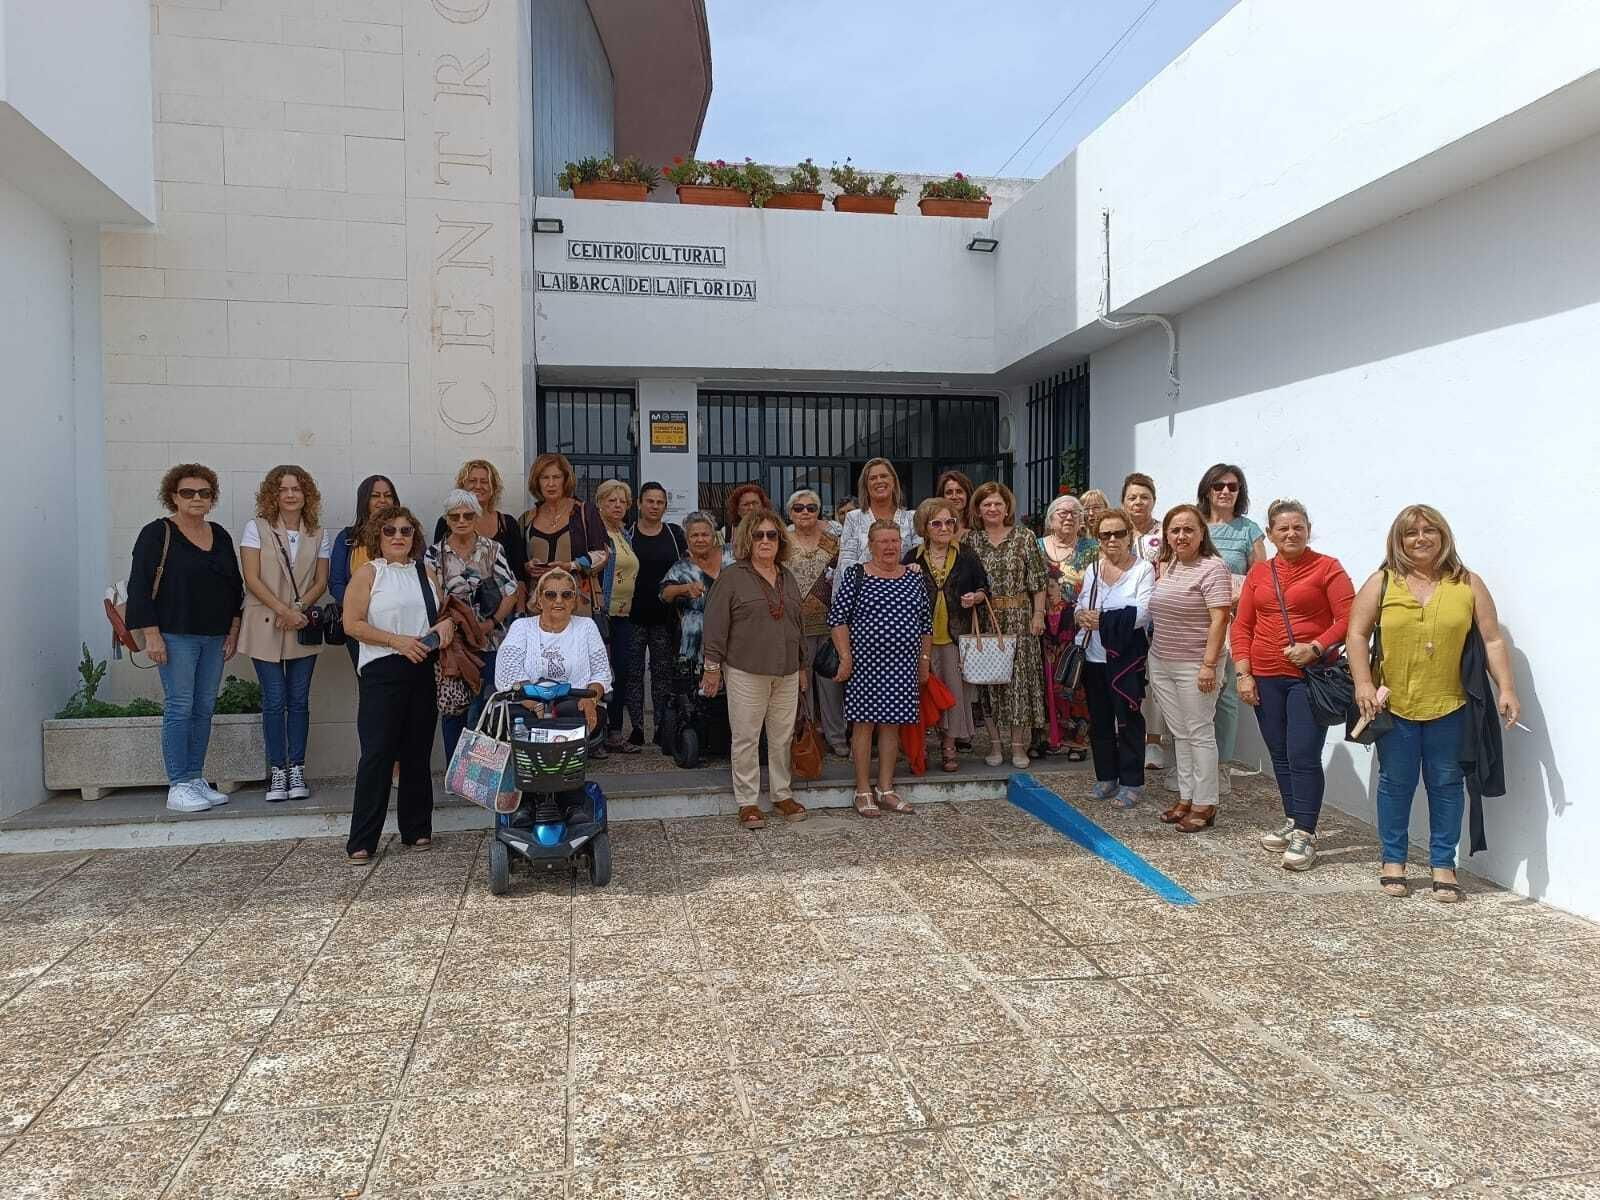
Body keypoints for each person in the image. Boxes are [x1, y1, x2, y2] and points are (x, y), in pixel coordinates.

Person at [1348, 505, 1520, 902]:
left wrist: (1506, 688)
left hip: (1450, 705)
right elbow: (1356, 634)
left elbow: (1492, 639)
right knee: (1396, 784)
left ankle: (1444, 863)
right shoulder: (1383, 582)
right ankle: (1393, 860)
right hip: (1395, 706)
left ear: (1444, 537)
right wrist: (1362, 684)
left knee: (1446, 785)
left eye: (1430, 531)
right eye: (1411, 533)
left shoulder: (1468, 584)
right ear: (1399, 540)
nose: (1421, 538)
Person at [1232, 499, 1355, 871]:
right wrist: (1243, 672)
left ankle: (1306, 831)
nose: (1290, 533)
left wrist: (1316, 647)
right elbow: (1242, 625)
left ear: (1308, 529)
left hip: (1308, 677)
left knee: (1302, 753)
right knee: (1279, 752)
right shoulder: (1259, 574)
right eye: (1282, 528)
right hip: (1265, 676)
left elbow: (1349, 617)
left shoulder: (1327, 568)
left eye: (1298, 526)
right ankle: (1292, 819)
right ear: (1269, 534)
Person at [126, 465, 244, 813]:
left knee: (204, 707)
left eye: (203, 493)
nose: (196, 499)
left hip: (214, 636)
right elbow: (139, 588)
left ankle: (195, 777)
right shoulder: (156, 533)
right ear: (173, 496)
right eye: (188, 492)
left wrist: (234, 630)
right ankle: (178, 784)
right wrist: (152, 635)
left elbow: (234, 586)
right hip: (174, 634)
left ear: (212, 498)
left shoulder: (219, 535)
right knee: (180, 707)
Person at [341, 506, 455, 864]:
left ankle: (417, 828)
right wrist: (396, 641)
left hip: (422, 665)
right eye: (389, 530)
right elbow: (352, 624)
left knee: (418, 751)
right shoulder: (368, 573)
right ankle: (362, 839)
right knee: (377, 753)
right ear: (378, 535)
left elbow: (441, 614)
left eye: (405, 531)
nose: (398, 537)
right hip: (383, 669)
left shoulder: (426, 570)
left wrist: (444, 627)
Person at [701, 509, 810, 829]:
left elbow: (797, 625)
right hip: (745, 670)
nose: (765, 541)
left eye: (771, 535)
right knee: (747, 737)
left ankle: (781, 794)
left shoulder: (787, 576)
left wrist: (802, 665)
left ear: (780, 540)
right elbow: (715, 626)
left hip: (787, 671)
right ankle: (747, 801)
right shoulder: (732, 577)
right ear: (748, 539)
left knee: (781, 737)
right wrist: (712, 668)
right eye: (759, 535)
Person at [239, 465, 332, 804]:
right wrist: (283, 610)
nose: (290, 495)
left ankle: (297, 769)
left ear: (306, 494)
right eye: (283, 489)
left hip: (301, 624)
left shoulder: (319, 533)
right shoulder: (256, 528)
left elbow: (321, 581)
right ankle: (278, 769)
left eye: (296, 489)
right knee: (274, 700)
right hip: (265, 621)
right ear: (272, 495)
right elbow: (251, 577)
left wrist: (297, 610)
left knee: (299, 700)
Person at [830, 520, 932, 818]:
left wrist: (924, 661)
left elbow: (925, 625)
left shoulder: (913, 578)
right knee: (864, 726)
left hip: (903, 666)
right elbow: (838, 619)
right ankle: (862, 790)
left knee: (892, 726)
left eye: (894, 541)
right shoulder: (857, 575)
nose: (890, 547)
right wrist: (846, 657)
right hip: (865, 666)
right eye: (883, 541)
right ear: (871, 546)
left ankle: (886, 788)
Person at [1147, 506, 1233, 832]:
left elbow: (1220, 619)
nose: (1181, 536)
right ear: (1166, 535)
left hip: (1197, 665)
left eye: (1188, 530)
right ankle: (1186, 796)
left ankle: (1205, 802)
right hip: (1162, 660)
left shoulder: (1213, 568)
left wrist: (1209, 665)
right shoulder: (1167, 566)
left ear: (1201, 533)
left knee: (1199, 733)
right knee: (1179, 733)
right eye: (1175, 530)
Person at [426, 488, 519, 763]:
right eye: (455, 516)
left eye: (468, 515)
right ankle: (457, 770)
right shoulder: (434, 554)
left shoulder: (493, 549)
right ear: (447, 518)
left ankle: (483, 770)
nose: (462, 520)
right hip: (453, 644)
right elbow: (433, 599)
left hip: (489, 641)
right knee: (454, 708)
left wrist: (490, 623)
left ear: (476, 516)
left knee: (488, 705)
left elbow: (511, 591)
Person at [1075, 509, 1155, 806]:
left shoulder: (1143, 570)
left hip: (1125, 658)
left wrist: (1103, 620)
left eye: (1118, 533)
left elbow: (1144, 612)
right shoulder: (1093, 570)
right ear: (1098, 539)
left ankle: (1132, 781)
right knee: (1100, 720)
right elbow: (1082, 602)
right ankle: (1106, 777)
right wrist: (1081, 615)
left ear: (1130, 536)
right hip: (1095, 657)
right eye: (1105, 534)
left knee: (1129, 718)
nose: (1112, 540)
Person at [968, 481, 1048, 769]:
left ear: (1006, 508)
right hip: (987, 619)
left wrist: (1038, 615)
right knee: (989, 683)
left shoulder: (1024, 537)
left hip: (1019, 617)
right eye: (986, 504)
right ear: (978, 509)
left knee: (1017, 685)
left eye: (997, 504)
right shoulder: (972, 541)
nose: (992, 508)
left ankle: (1017, 745)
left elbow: (1038, 580)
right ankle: (994, 744)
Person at [907, 498, 989, 772]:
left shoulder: (966, 554)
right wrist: (908, 572)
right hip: (920, 640)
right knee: (924, 695)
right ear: (925, 527)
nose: (944, 527)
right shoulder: (913, 557)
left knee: (953, 694)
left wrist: (975, 597)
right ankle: (924, 745)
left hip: (956, 637)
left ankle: (949, 745)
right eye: (937, 523)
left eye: (949, 522)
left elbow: (984, 588)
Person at [1197, 463, 1265, 789]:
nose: (1226, 491)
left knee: (1225, 696)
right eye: (1219, 485)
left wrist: (1237, 603)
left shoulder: (1249, 530)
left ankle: (1221, 765)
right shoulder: (1194, 525)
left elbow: (1261, 577)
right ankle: (1195, 764)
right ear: (1207, 489)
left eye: (1233, 486)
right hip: (1194, 620)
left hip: (1231, 621)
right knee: (1192, 692)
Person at [496, 567, 612, 718]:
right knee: (517, 718)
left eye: (566, 595)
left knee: (572, 712)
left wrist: (590, 699)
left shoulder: (587, 626)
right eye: (550, 595)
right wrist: (533, 703)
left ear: (574, 601)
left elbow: (601, 673)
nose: (559, 600)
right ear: (539, 600)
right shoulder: (522, 627)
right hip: (527, 702)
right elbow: (509, 670)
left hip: (574, 702)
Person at [786, 489, 847, 756]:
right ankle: (804, 738)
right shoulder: (783, 541)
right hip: (794, 624)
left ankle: (836, 737)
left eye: (811, 508)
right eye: (799, 508)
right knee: (800, 686)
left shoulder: (832, 541)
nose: (805, 513)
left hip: (829, 622)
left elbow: (844, 575)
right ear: (790, 513)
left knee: (831, 683)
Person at [625, 482, 686, 751]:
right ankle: (637, 727)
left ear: (665, 506)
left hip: (665, 617)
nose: (654, 506)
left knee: (663, 674)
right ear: (639, 503)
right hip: (631, 615)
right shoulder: (627, 534)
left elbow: (686, 566)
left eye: (660, 502)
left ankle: (663, 726)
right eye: (649, 501)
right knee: (632, 673)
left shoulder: (674, 534)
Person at [1039, 494, 1099, 759]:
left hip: (1077, 627)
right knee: (1042, 680)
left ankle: (1077, 740)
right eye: (1062, 512)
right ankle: (1044, 738)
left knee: (1076, 683)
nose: (1068, 516)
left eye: (1075, 512)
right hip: (1042, 624)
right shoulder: (1036, 546)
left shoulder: (1091, 548)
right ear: (1051, 520)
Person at [520, 452, 609, 613]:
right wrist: (527, 566)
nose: (551, 483)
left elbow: (602, 554)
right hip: (538, 607)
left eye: (556, 477)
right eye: (545, 478)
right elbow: (518, 563)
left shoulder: (585, 512)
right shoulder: (527, 519)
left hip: (577, 604)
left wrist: (571, 565)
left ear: (566, 479)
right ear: (537, 482)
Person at [588, 479, 638, 752]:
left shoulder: (625, 533)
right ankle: (596, 736)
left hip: (624, 614)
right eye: (611, 500)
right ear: (600, 504)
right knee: (600, 674)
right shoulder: (596, 535)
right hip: (601, 613)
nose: (617, 505)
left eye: (622, 501)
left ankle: (615, 732)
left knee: (622, 671)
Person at [432, 459, 527, 602]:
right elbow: (438, 568)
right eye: (472, 481)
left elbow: (519, 574)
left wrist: (519, 612)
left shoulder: (508, 523)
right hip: (456, 607)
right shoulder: (446, 522)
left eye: (484, 481)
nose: (478, 486)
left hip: (503, 608)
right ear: (463, 486)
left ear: (493, 487)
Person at [331, 475, 398, 671]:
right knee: (369, 684)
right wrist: (357, 610)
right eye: (375, 495)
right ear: (364, 501)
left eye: (388, 495)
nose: (382, 500)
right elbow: (336, 583)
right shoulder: (347, 538)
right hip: (360, 626)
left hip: (398, 625)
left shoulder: (405, 534)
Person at [660, 512, 725, 685]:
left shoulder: (731, 556)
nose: (700, 539)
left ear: (714, 536)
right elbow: (664, 594)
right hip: (696, 639)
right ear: (687, 539)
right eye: (694, 535)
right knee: (697, 695)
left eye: (705, 534)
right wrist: (685, 588)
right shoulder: (682, 567)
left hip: (732, 633)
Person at [837, 458, 919, 575]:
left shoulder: (912, 518)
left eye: (884, 476)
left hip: (903, 589)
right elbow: (845, 563)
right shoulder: (853, 518)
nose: (879, 481)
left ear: (894, 481)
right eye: (873, 478)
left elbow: (919, 559)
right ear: (866, 485)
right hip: (864, 589)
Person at [721, 482, 770, 548]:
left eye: (755, 503)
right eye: (746, 504)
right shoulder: (726, 532)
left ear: (763, 506)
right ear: (737, 510)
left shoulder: (773, 529)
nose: (751, 508)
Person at [935, 469, 976, 539]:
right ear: (942, 497)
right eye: (949, 492)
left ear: (968, 495)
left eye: (959, 491)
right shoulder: (934, 525)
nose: (954, 497)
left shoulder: (978, 524)